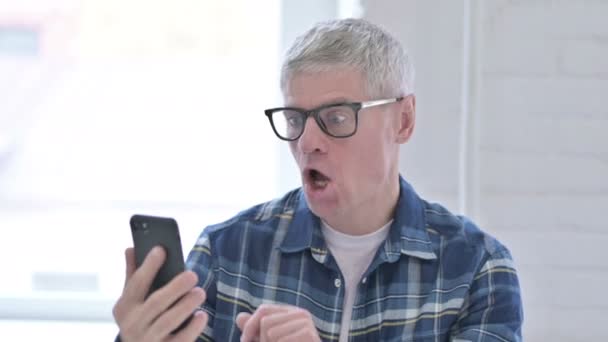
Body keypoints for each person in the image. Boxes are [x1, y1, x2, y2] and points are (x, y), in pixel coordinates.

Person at [113, 18, 523, 341]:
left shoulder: (476, 269)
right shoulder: (226, 253)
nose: (307, 142)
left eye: (336, 118)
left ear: (404, 119)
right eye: (295, 119)